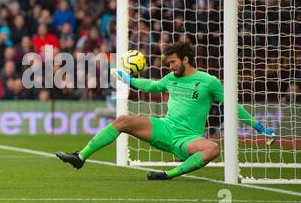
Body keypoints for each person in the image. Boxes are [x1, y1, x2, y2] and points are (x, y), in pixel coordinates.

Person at [56, 41, 276, 180]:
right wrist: (130, 79)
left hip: (187, 138)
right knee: (122, 120)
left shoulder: (209, 82)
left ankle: (169, 174)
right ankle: (80, 156)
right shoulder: (171, 78)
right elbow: (153, 86)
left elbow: (233, 106)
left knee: (212, 149)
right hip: (164, 128)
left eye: (172, 62)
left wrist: (259, 127)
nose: (169, 67)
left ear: (185, 59)